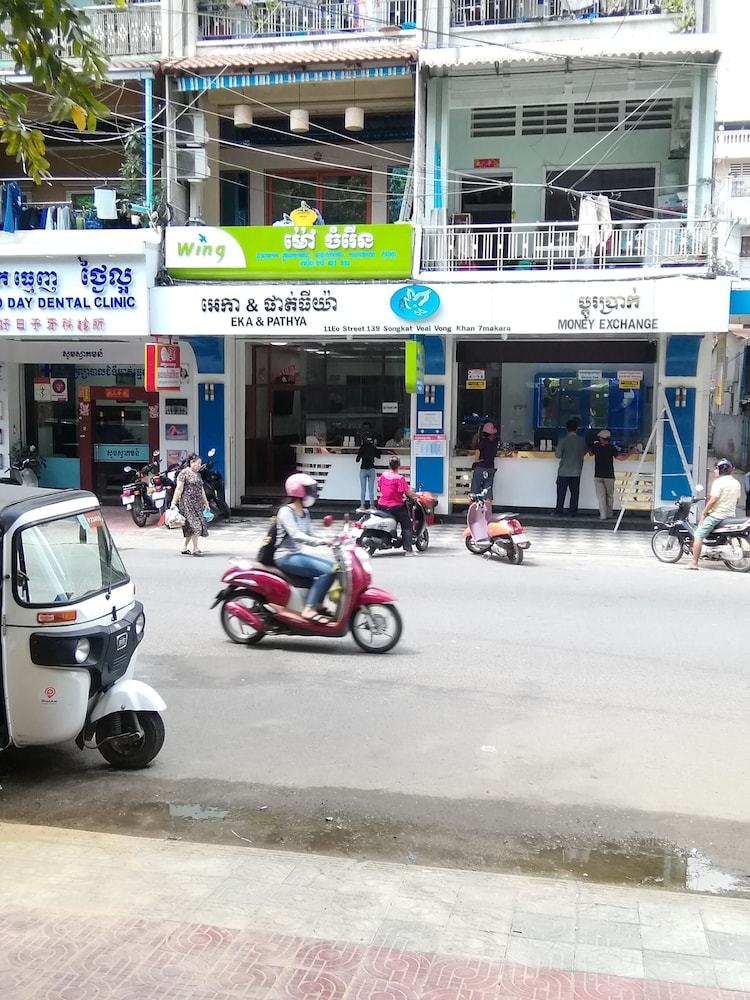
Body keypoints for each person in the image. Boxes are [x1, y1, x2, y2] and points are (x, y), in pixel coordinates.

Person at [274, 473, 335, 620]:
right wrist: (320, 542)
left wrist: (329, 538)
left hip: (297, 554)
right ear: (299, 492)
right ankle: (309, 609)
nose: (312, 494)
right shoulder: (286, 512)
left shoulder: (305, 512)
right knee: (326, 571)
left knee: (334, 568)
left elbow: (310, 533)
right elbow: (296, 535)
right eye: (309, 490)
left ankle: (318, 605)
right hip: (284, 556)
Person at [687, 459, 742, 570]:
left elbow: (713, 500)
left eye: (716, 469)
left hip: (717, 516)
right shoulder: (736, 483)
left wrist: (704, 513)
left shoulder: (719, 482)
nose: (714, 471)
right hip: (730, 515)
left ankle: (694, 562)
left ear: (722, 470)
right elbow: (736, 500)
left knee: (698, 534)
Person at [377, 457, 418, 554]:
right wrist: (418, 495)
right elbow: (409, 493)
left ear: (389, 465)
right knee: (407, 525)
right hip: (396, 507)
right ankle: (408, 549)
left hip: (381, 505)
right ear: (399, 466)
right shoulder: (400, 478)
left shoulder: (383, 475)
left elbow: (379, 488)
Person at [589, 429, 633, 520]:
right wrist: (631, 453)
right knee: (609, 496)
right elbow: (621, 458)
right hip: (609, 476)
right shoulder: (611, 448)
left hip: (598, 475)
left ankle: (603, 515)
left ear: (600, 438)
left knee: (601, 497)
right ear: (608, 439)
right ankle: (609, 514)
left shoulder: (596, 447)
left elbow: (590, 453)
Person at [170, 453, 209, 556]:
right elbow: (179, 489)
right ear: (191, 462)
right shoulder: (183, 473)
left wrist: (206, 503)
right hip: (187, 503)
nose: (199, 465)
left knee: (190, 527)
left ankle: (184, 547)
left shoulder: (198, 475)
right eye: (198, 463)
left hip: (197, 504)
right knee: (196, 525)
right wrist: (174, 502)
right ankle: (196, 548)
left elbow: (201, 490)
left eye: (200, 463)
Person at [554, 419, 587, 516]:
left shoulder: (563, 441)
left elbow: (558, 455)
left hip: (563, 471)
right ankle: (572, 512)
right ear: (576, 429)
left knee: (561, 493)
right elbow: (584, 452)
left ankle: (559, 511)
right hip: (576, 471)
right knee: (574, 494)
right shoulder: (581, 441)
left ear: (566, 429)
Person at [470, 422, 499, 499]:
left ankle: (474, 505)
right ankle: (487, 505)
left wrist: (478, 460)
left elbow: (477, 456)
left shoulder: (481, 443)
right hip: (490, 468)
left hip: (480, 468)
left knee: (475, 490)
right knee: (488, 490)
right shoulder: (494, 444)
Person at [355, 430, 380, 512]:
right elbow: (379, 456)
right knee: (371, 488)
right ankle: (372, 505)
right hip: (371, 469)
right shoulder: (373, 447)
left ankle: (362, 505)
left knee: (363, 489)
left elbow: (357, 460)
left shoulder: (362, 448)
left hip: (363, 469)